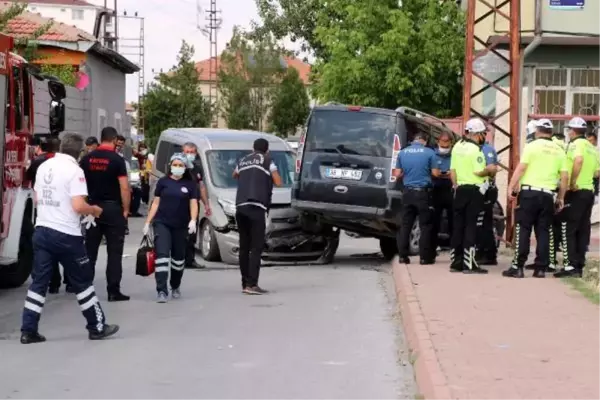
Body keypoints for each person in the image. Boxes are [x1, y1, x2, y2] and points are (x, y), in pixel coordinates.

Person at [20, 133, 119, 344]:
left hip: (42, 229)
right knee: (83, 281)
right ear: (80, 151)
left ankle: (28, 330)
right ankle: (97, 327)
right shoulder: (75, 171)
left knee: (39, 283)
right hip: (66, 234)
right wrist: (94, 210)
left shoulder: (45, 166)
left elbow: (38, 198)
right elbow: (78, 206)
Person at [503, 119, 568, 278]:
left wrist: (511, 186)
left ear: (537, 131)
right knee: (543, 231)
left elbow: (522, 168)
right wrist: (560, 197)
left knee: (523, 228)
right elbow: (565, 177)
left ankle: (518, 266)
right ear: (551, 132)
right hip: (548, 195)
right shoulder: (559, 150)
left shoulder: (531, 146)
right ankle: (540, 268)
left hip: (529, 193)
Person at [79, 127, 131, 301]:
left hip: (92, 209)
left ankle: (85, 288)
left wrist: (86, 206)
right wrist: (125, 209)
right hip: (113, 209)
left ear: (101, 139)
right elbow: (124, 187)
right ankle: (113, 291)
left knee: (90, 250)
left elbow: (81, 186)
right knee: (114, 253)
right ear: (115, 139)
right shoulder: (117, 160)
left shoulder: (87, 159)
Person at [143, 153, 199, 303]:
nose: (177, 168)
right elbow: (155, 203)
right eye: (175, 165)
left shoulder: (190, 184)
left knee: (178, 259)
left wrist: (193, 220)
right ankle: (161, 290)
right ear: (170, 166)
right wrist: (148, 222)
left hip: (181, 226)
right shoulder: (163, 182)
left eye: (181, 165)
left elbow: (193, 203)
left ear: (185, 168)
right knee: (162, 256)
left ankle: (175, 285)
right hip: (162, 223)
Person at [233, 138, 282, 295]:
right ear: (266, 150)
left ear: (252, 148)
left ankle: (244, 282)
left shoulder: (243, 160)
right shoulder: (268, 160)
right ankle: (252, 284)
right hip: (257, 206)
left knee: (244, 246)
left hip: (240, 206)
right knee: (256, 247)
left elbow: (235, 174)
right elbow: (278, 181)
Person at [449, 118, 495, 274]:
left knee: (458, 226)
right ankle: (469, 264)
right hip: (474, 191)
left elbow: (452, 171)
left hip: (460, 189)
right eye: (483, 134)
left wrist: (456, 186)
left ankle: (456, 261)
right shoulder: (475, 150)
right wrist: (490, 169)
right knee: (471, 226)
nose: (484, 137)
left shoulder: (457, 146)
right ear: (478, 134)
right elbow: (478, 171)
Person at [26, 137, 72, 294]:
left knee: (47, 249)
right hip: (64, 209)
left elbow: (27, 178)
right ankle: (71, 281)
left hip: (44, 207)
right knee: (68, 248)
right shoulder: (65, 163)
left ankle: (53, 283)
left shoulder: (37, 161)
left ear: (41, 147)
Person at [554, 117, 598, 278]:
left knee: (568, 228)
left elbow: (578, 160)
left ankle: (569, 266)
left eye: (569, 130)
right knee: (582, 229)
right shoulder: (591, 147)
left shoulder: (575, 144)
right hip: (588, 192)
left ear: (572, 131)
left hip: (576, 191)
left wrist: (572, 182)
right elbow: (597, 172)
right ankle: (579, 264)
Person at [393, 132, 439, 264]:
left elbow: (397, 174)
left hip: (407, 192)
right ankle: (424, 258)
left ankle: (403, 256)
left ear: (414, 140)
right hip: (423, 193)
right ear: (425, 141)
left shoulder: (403, 153)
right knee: (425, 225)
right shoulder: (429, 152)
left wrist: (408, 174)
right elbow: (435, 173)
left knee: (406, 225)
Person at [181, 142, 211, 269]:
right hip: (179, 205)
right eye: (187, 152)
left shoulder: (197, 168)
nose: (189, 154)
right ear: (183, 152)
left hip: (193, 205)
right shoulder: (178, 166)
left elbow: (201, 186)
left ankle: (190, 259)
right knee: (179, 232)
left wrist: (206, 204)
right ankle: (177, 259)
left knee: (192, 233)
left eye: (192, 152)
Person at [475, 138, 499, 265]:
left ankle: (488, 254)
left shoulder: (487, 149)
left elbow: (491, 169)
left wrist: (480, 173)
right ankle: (483, 252)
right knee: (480, 223)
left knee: (484, 223)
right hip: (477, 190)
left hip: (486, 190)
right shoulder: (470, 148)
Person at [431, 132, 454, 252]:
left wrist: (449, 174)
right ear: (438, 141)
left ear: (451, 142)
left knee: (453, 218)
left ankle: (453, 245)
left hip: (450, 188)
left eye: (447, 141)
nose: (445, 144)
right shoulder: (433, 154)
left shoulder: (455, 155)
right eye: (442, 141)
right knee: (435, 218)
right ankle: (434, 244)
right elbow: (431, 171)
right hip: (436, 188)